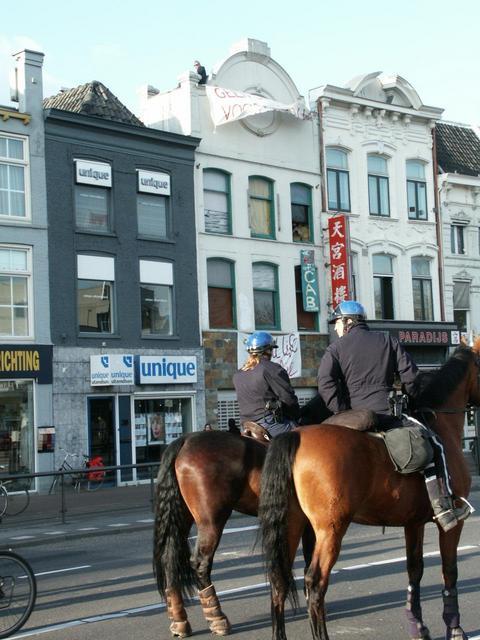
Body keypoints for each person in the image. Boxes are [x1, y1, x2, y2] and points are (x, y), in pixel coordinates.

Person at [317, 299, 472, 532]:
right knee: (436, 445)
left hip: (353, 414)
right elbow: (411, 378)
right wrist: (413, 397)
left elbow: (325, 383)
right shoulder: (387, 340)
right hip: (387, 415)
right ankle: (443, 507)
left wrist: (342, 411)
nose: (336, 328)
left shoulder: (335, 349)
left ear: (349, 321)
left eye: (337, 323)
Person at [233, 331, 300, 438]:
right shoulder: (272, 368)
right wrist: (297, 415)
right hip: (269, 424)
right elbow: (288, 399)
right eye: (271, 349)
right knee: (302, 437)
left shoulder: (238, 374)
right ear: (268, 350)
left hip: (246, 425)